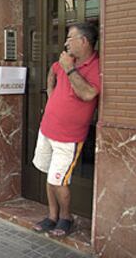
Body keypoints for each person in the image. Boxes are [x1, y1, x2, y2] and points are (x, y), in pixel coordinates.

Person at [32, 22, 100, 237]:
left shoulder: (96, 66)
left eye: (70, 38)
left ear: (84, 41)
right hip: (47, 129)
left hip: (68, 137)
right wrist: (51, 97)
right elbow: (52, 73)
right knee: (49, 175)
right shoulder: (63, 62)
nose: (65, 43)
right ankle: (52, 216)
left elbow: (88, 94)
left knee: (57, 179)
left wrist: (69, 68)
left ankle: (66, 217)